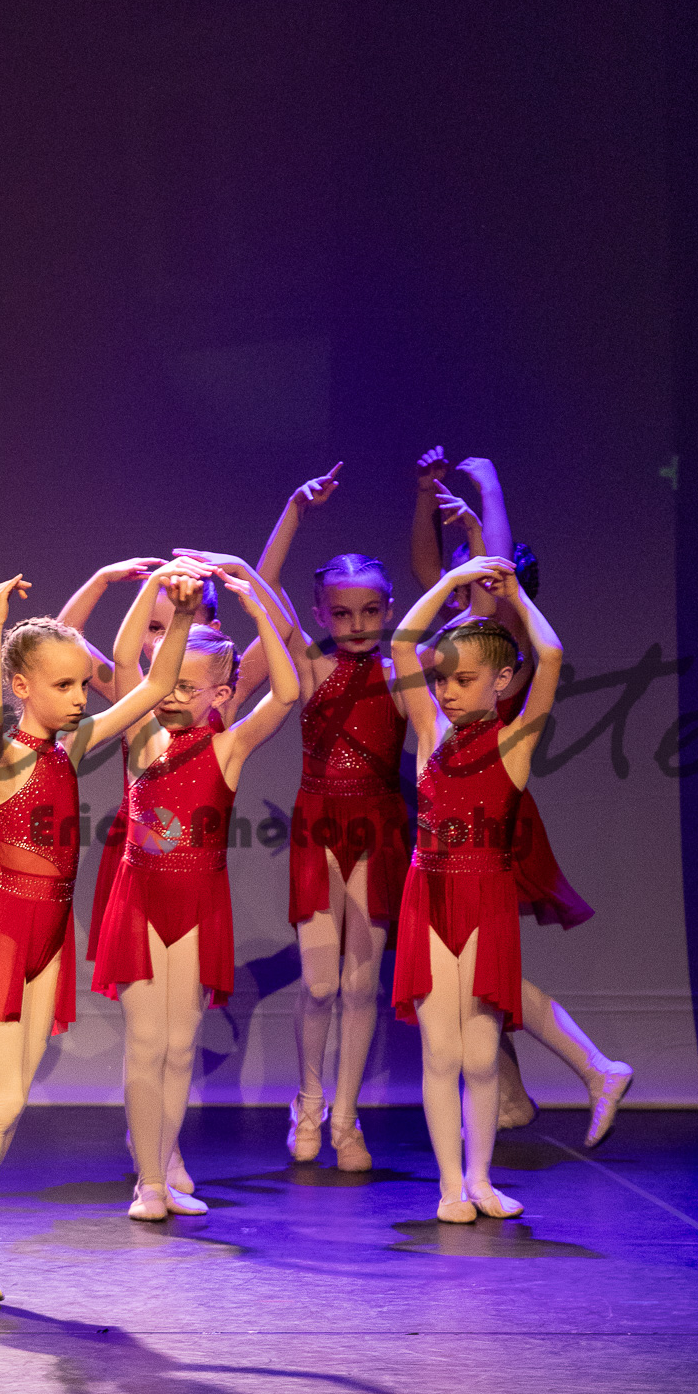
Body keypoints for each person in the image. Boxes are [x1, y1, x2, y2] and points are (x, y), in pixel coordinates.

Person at [0, 561, 208, 1300]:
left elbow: (153, 685)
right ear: (23, 687)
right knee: (2, 1103)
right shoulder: (0, 755)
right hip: (2, 935)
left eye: (83, 684)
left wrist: (182, 616)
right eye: (65, 685)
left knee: (11, 1103)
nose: (82, 697)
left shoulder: (68, 749)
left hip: (49, 938)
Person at [410, 452, 632, 1145]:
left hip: (490, 807)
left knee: (484, 965)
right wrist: (427, 496)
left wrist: (487, 491)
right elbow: (427, 578)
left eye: (477, 575)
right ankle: (508, 1098)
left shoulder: (495, 643)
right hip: (446, 803)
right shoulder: (453, 647)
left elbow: (494, 582)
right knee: (465, 972)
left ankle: (591, 1067)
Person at [91, 569, 299, 1222]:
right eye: (167, 682)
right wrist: (162, 596)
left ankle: (165, 1167)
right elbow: (124, 657)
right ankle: (149, 1182)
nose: (172, 695)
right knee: (145, 1042)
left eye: (188, 686)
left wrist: (256, 603)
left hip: (199, 907)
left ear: (220, 695)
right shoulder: (142, 736)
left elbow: (288, 692)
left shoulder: (229, 748)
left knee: (181, 1045)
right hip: (140, 900)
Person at [391, 555, 563, 1221]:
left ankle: (482, 1179)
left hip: (486, 900)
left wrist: (516, 595)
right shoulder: (430, 731)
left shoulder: (515, 743)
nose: (449, 691)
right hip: (429, 898)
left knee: (484, 1055)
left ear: (501, 681)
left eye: (464, 680)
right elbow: (403, 643)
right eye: (443, 679)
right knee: (441, 1051)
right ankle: (449, 1186)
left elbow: (551, 655)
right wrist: (446, 585)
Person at [256, 466, 411, 1171]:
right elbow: (263, 586)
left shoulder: (404, 671)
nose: (357, 626)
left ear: (388, 609)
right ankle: (309, 1099)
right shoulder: (312, 667)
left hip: (378, 826)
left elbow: (471, 623)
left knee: (359, 985)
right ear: (321, 614)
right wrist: (294, 508)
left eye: (371, 612)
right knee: (319, 984)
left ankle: (346, 1118)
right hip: (319, 824)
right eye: (342, 614)